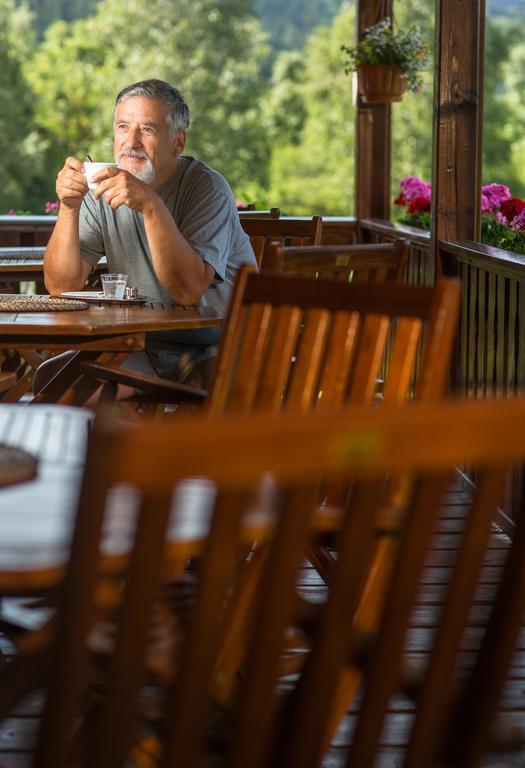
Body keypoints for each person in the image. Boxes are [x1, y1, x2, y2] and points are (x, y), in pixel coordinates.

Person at [38, 78, 256, 392]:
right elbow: (61, 286)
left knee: (216, 395)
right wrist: (70, 206)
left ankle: (156, 441)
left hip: (217, 344)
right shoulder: (101, 188)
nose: (132, 142)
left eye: (148, 129)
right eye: (123, 126)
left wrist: (150, 205)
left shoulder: (207, 188)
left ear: (178, 144)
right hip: (139, 343)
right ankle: (138, 438)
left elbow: (187, 292)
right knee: (58, 381)